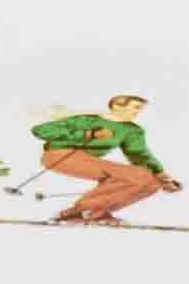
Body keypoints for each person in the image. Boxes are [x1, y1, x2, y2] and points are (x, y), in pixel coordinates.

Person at [27, 92, 179, 224]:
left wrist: (162, 176)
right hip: (61, 155)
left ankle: (96, 213)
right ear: (117, 106)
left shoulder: (132, 130)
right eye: (135, 107)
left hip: (89, 160)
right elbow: (40, 130)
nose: (138, 112)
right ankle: (77, 211)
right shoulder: (89, 120)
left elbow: (139, 154)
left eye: (140, 109)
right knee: (138, 175)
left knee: (152, 183)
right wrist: (88, 134)